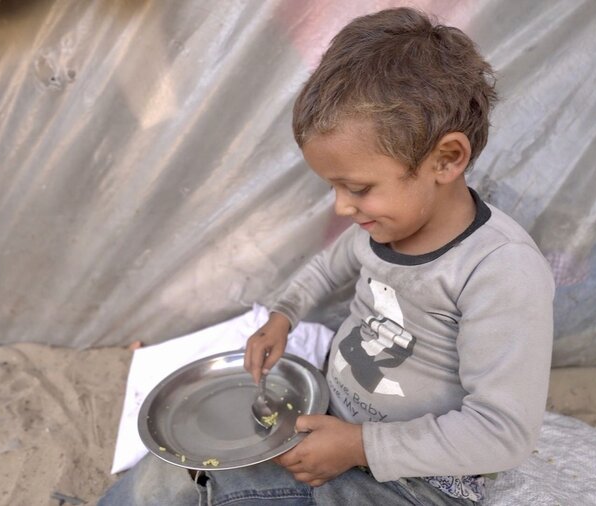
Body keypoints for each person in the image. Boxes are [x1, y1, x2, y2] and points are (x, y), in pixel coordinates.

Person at [100, 7, 554, 505]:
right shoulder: (381, 226)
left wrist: (360, 446)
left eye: (358, 187)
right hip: (334, 419)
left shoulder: (500, 271)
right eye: (334, 187)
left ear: (446, 159)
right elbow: (324, 270)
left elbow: (503, 433)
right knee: (180, 465)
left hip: (418, 481)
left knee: (225, 487)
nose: (341, 205)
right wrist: (282, 317)